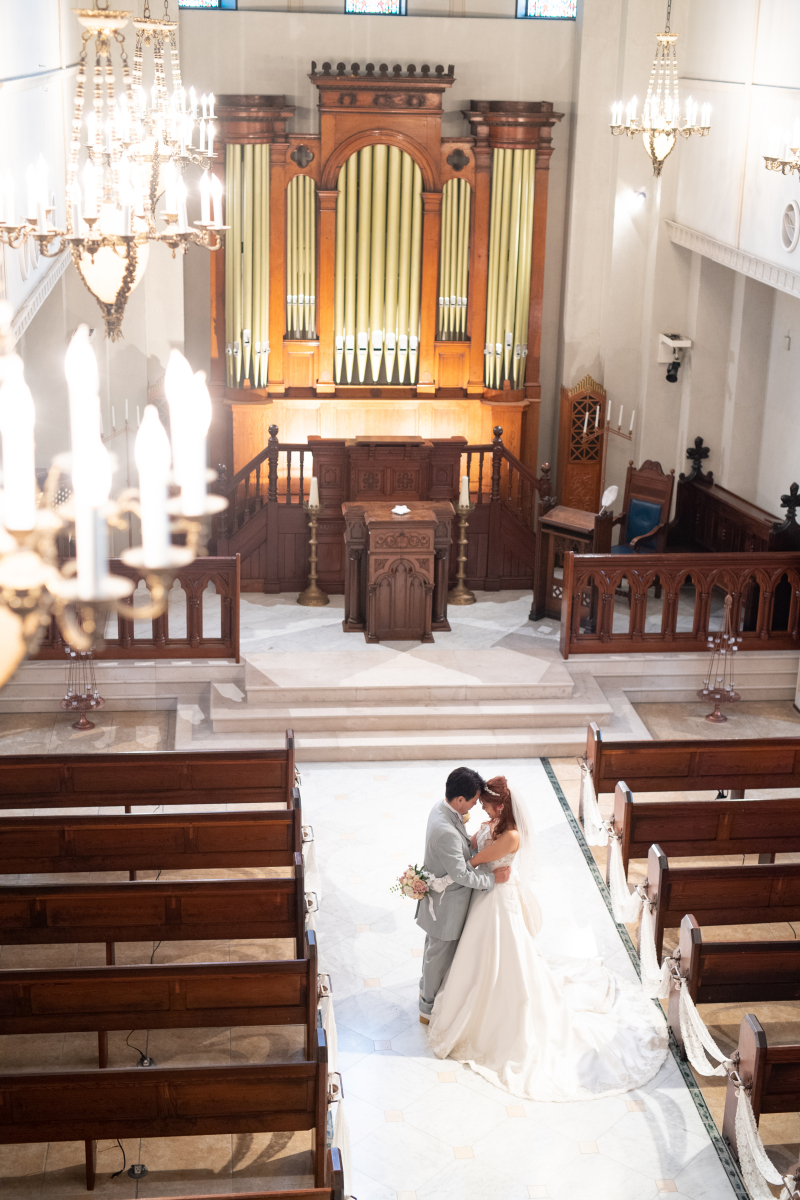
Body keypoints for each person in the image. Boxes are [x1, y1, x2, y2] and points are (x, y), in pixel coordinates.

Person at [426, 775, 668, 1101]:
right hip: (485, 898)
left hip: (497, 900)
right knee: (480, 954)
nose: (480, 808)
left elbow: (471, 862)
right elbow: (473, 846)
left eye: (484, 803)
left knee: (501, 954)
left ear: (499, 804)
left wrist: (452, 865)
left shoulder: (511, 836)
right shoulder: (494, 823)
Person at [416, 766, 511, 1024]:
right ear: (459, 799)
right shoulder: (445, 831)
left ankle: (427, 989)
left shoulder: (442, 808)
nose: (474, 806)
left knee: (433, 950)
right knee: (438, 954)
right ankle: (427, 1007)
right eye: (472, 801)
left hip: (444, 899)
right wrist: (492, 878)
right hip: (447, 905)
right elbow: (461, 875)